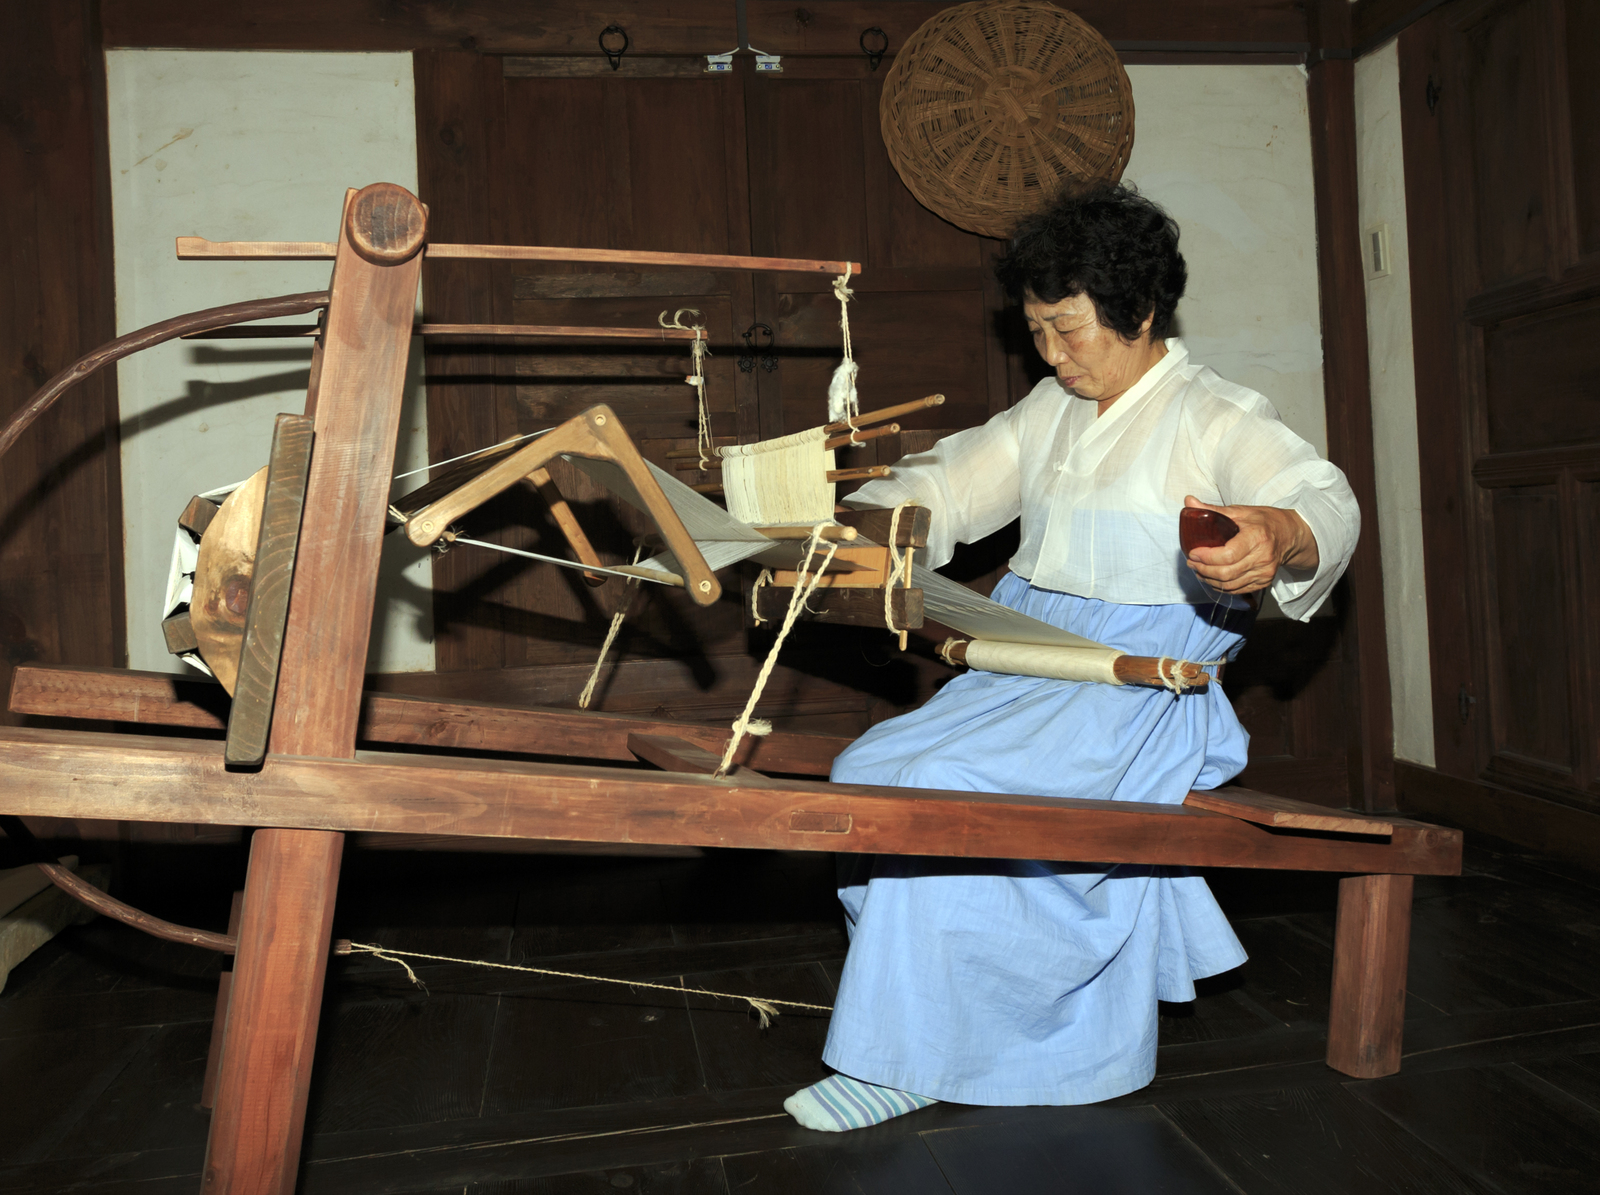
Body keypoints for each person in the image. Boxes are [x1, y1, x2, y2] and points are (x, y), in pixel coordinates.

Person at [783, 182, 1360, 1132]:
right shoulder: (1050, 411)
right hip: (1028, 659)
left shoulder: (1215, 414)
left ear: (1139, 309)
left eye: (1068, 328)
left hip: (1140, 686)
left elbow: (1322, 497)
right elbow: (948, 483)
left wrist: (1278, 533)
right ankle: (921, 1013)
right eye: (1036, 330)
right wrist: (856, 524)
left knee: (944, 786)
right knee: (871, 770)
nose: (1051, 353)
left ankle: (907, 1054)